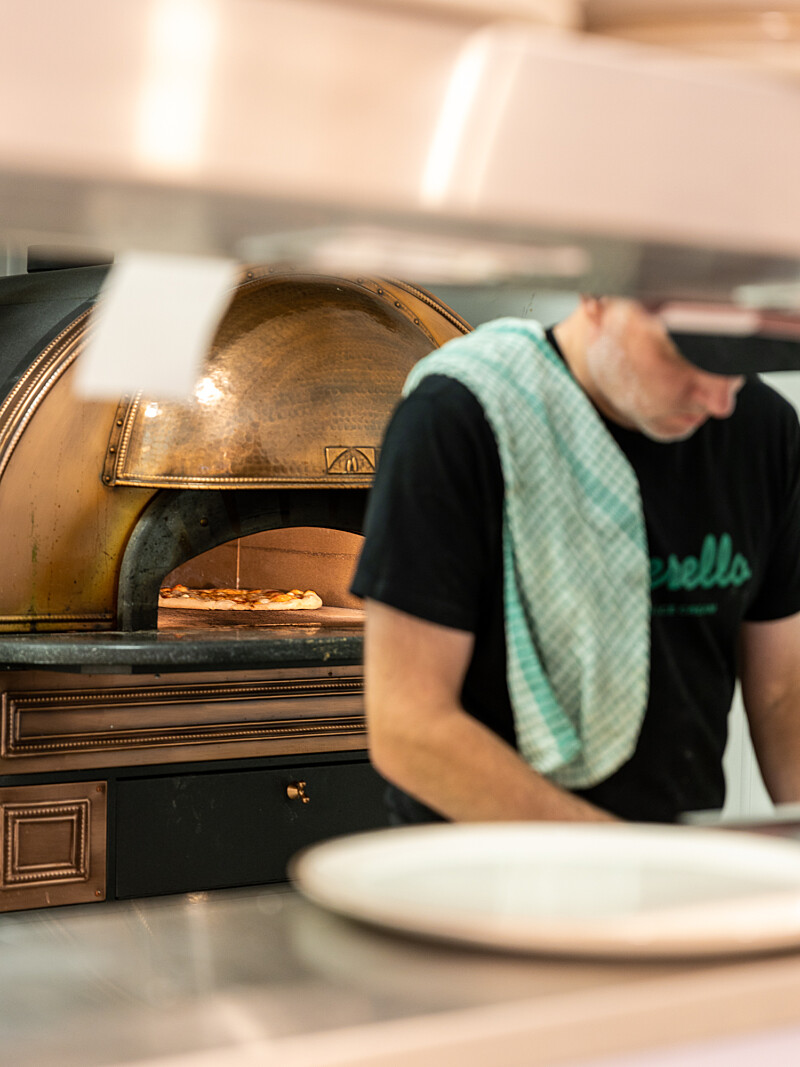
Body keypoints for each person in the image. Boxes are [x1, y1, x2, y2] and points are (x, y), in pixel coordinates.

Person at [350, 296, 800, 825]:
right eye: (684, 355)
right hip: (476, 874)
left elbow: (782, 694)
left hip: (674, 863)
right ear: (599, 298)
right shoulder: (458, 419)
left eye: (741, 363)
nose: (720, 398)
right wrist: (616, 863)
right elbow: (410, 727)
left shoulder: (762, 430)